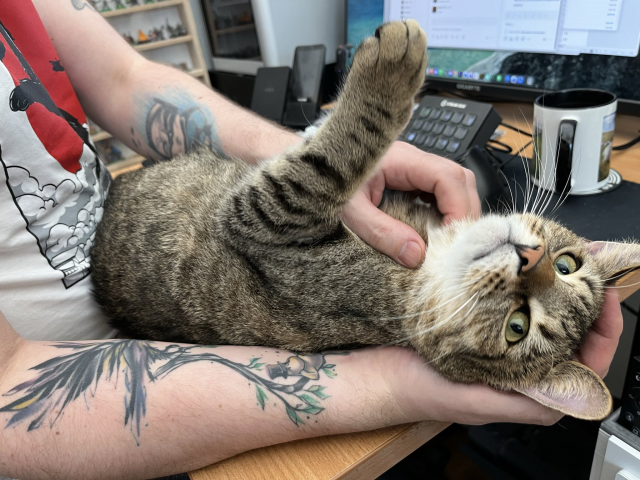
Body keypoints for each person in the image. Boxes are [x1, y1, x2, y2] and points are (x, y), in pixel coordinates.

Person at [0, 1, 623, 478]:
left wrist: (365, 125)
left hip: (159, 237)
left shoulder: (388, 295)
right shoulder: (420, 280)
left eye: (519, 324)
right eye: (568, 262)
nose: (531, 264)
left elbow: (124, 78)